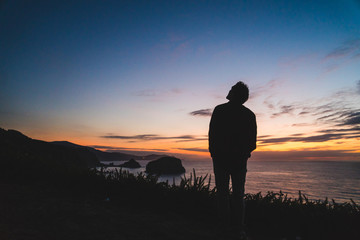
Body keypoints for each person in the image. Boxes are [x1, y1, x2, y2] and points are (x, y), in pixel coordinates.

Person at [208, 81, 257, 239]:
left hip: (224, 160)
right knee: (238, 195)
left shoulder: (220, 110)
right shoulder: (249, 115)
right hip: (237, 162)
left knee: (223, 194)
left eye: (231, 90)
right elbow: (252, 143)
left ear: (235, 94)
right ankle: (237, 229)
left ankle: (225, 227)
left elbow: (212, 135)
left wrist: (215, 153)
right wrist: (243, 154)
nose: (228, 91)